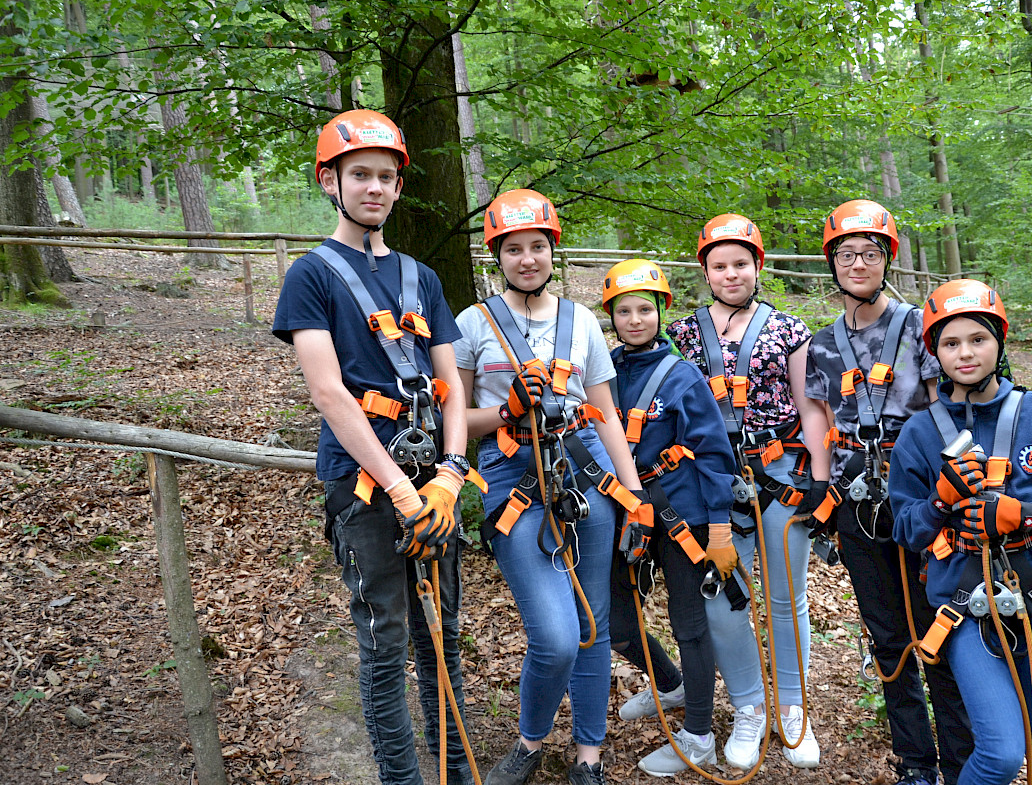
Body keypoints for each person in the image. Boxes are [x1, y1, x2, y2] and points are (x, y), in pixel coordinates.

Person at [272, 109, 473, 785]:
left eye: (387, 177)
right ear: (330, 180)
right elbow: (329, 393)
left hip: (431, 478)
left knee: (441, 635)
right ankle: (402, 778)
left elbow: (450, 383)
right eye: (360, 175)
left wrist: (449, 472)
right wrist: (398, 487)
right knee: (386, 642)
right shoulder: (312, 276)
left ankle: (455, 768)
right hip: (365, 485)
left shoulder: (422, 277)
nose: (375, 189)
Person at [454, 189, 645, 785]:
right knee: (556, 636)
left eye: (538, 246)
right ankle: (532, 740)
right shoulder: (472, 324)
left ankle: (589, 753)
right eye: (515, 249)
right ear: (498, 256)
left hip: (583, 472)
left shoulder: (582, 320)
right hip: (514, 480)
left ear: (551, 250)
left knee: (593, 628)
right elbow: (452, 419)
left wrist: (633, 497)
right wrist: (506, 409)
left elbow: (606, 413)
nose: (528, 258)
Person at [890, 279, 1032, 785]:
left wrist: (1028, 514)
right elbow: (905, 529)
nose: (965, 353)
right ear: (935, 352)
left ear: (999, 343)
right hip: (964, 606)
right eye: (950, 343)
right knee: (1001, 754)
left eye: (978, 339)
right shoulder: (920, 434)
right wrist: (940, 501)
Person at [804, 199, 973, 785]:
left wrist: (954, 483)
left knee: (937, 624)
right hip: (856, 498)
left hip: (918, 499)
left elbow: (946, 406)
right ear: (832, 264)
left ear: (887, 260)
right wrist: (822, 488)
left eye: (869, 253)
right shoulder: (823, 344)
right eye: (846, 254)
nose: (857, 264)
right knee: (885, 631)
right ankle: (915, 760)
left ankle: (959, 758)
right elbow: (821, 417)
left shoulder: (917, 326)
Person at [666, 213, 830, 770]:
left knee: (787, 599)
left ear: (757, 266)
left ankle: (792, 707)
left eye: (740, 263)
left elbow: (809, 406)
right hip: (712, 485)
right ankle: (749, 708)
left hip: (780, 475)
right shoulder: (683, 333)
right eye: (719, 265)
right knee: (722, 598)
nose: (731, 273)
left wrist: (819, 477)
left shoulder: (787, 330)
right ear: (705, 272)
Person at [600, 259, 743, 776]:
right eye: (624, 311)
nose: (635, 319)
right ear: (610, 316)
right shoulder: (605, 373)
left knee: (689, 625)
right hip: (627, 512)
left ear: (661, 313)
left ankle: (700, 734)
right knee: (615, 619)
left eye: (645, 309)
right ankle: (670, 683)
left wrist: (721, 527)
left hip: (685, 518)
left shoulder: (682, 376)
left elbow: (713, 451)